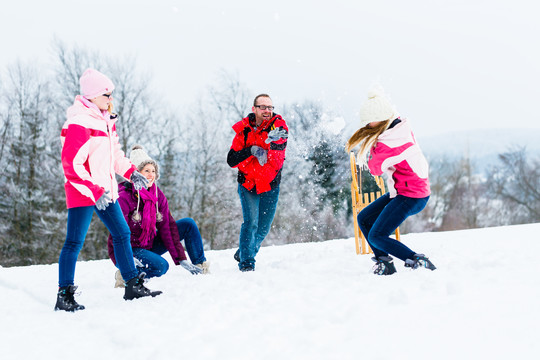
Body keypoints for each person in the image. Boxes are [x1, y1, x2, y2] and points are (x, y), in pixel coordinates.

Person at [56, 68, 162, 312]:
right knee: (74, 242)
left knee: (122, 234)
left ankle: (132, 284)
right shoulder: (78, 123)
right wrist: (93, 191)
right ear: (93, 95)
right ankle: (64, 294)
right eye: (106, 94)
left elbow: (115, 155)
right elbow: (71, 165)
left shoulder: (105, 121)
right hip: (83, 190)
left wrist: (131, 172)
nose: (110, 99)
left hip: (106, 190)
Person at [345, 87, 436, 275]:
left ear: (381, 118)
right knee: (364, 218)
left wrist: (373, 147)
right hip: (405, 190)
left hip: (412, 196)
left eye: (370, 121)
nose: (368, 125)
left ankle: (417, 260)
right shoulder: (398, 126)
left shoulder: (390, 144)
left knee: (377, 235)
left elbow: (374, 169)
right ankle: (384, 262)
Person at [108, 145, 209, 286]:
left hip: (149, 243)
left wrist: (181, 258)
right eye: (146, 171)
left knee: (188, 224)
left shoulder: (156, 195)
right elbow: (117, 233)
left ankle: (200, 265)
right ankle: (127, 274)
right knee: (161, 266)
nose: (151, 175)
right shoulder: (124, 197)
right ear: (136, 173)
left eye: (153, 171)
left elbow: (167, 227)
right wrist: (127, 258)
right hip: (130, 249)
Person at [227, 94, 288, 271]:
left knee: (263, 227)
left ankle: (244, 252)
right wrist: (252, 150)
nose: (267, 111)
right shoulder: (244, 130)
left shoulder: (278, 126)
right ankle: (247, 263)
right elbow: (231, 160)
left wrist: (274, 141)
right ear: (254, 109)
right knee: (251, 223)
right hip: (248, 184)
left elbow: (279, 150)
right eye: (263, 107)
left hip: (270, 184)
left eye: (270, 107)